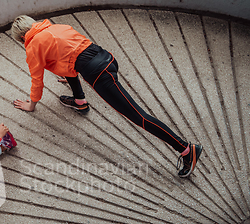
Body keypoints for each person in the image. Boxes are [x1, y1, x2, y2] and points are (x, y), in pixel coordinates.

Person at [11, 15, 202, 178]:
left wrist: (32, 104)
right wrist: (69, 75)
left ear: (22, 37)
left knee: (139, 117)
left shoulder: (33, 46)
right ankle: (80, 101)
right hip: (106, 57)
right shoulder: (56, 27)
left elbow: (37, 80)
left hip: (99, 74)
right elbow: (74, 54)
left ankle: (186, 149)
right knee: (73, 70)